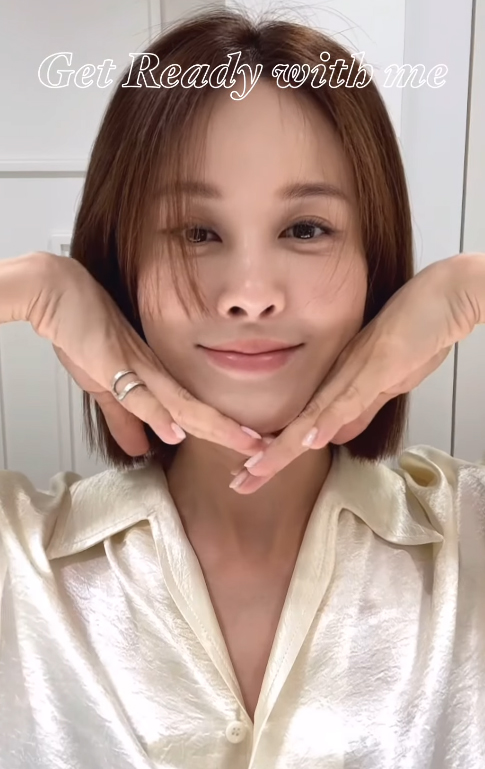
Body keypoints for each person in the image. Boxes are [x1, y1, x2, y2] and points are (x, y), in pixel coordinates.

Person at [1, 7, 484, 769]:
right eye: (196, 232)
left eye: (305, 229)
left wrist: (469, 286)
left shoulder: (469, 539)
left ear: (375, 260)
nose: (249, 295)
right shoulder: (18, 561)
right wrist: (30, 285)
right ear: (121, 266)